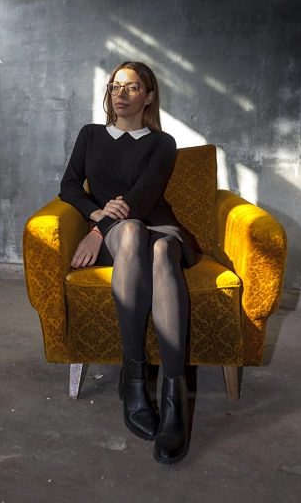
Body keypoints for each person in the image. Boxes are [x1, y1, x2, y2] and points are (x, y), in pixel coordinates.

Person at [58, 61, 199, 464]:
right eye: (116, 86)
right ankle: (135, 377)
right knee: (133, 233)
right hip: (123, 235)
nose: (121, 94)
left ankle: (174, 402)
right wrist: (98, 216)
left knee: (156, 246)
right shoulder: (90, 135)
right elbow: (69, 185)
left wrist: (96, 230)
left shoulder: (162, 143)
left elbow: (144, 195)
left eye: (132, 88)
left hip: (160, 227)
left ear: (148, 97)